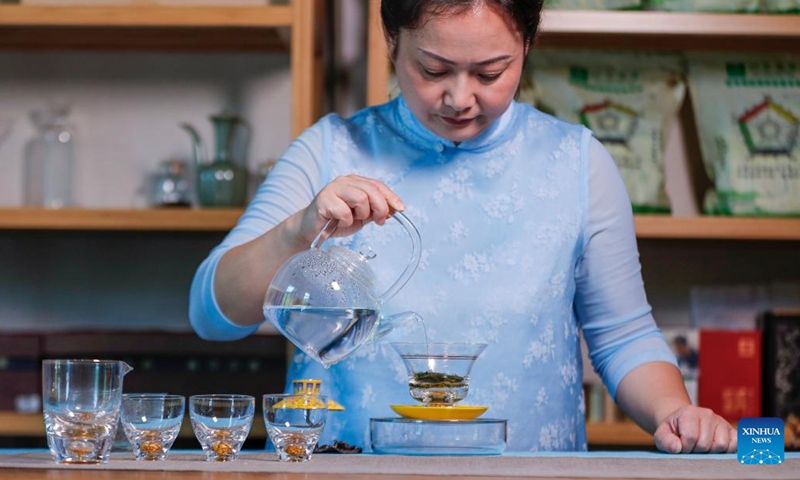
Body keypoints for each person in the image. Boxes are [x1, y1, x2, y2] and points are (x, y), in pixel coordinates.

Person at [189, 0, 736, 453]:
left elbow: (623, 335)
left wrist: (676, 411)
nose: (460, 97)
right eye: (433, 70)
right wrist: (297, 230)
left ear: (526, 46)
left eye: (490, 73)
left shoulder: (577, 162)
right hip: (348, 466)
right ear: (392, 41)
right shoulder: (330, 148)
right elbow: (213, 317)